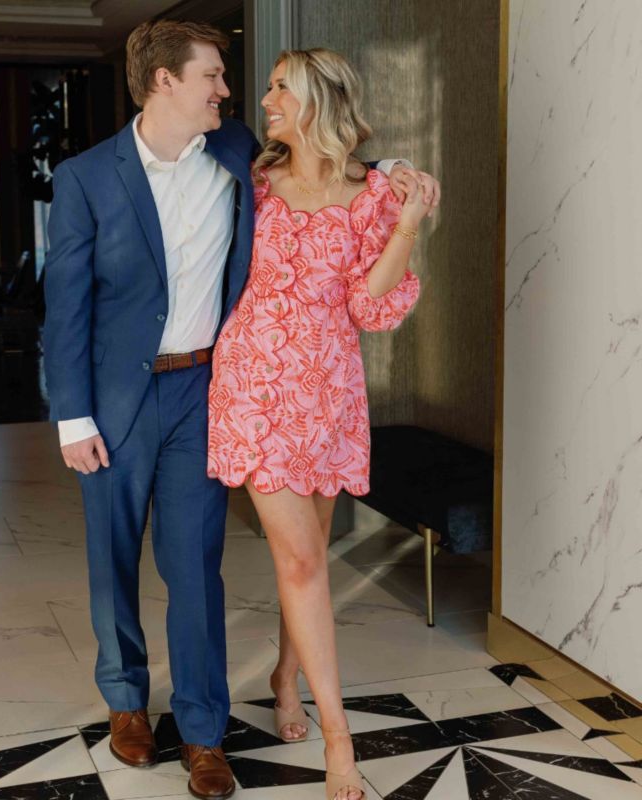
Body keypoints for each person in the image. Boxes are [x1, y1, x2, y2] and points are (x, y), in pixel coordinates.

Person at [44, 19, 438, 800]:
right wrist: (72, 414)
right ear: (166, 82)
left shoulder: (234, 153)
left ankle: (203, 731)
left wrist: (396, 175)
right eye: (214, 76)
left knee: (197, 562)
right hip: (131, 395)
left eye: (245, 81)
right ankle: (126, 699)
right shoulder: (88, 177)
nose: (233, 91)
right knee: (113, 554)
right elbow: (66, 304)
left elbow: (339, 162)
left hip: (215, 387)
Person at [207, 48, 433, 800]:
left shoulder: (372, 194)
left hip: (329, 394)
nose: (266, 98)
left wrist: (406, 224)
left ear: (318, 99)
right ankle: (340, 740)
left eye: (281, 88)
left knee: (306, 561)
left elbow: (369, 307)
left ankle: (285, 675)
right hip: (253, 388)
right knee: (302, 562)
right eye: (270, 86)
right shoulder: (251, 178)